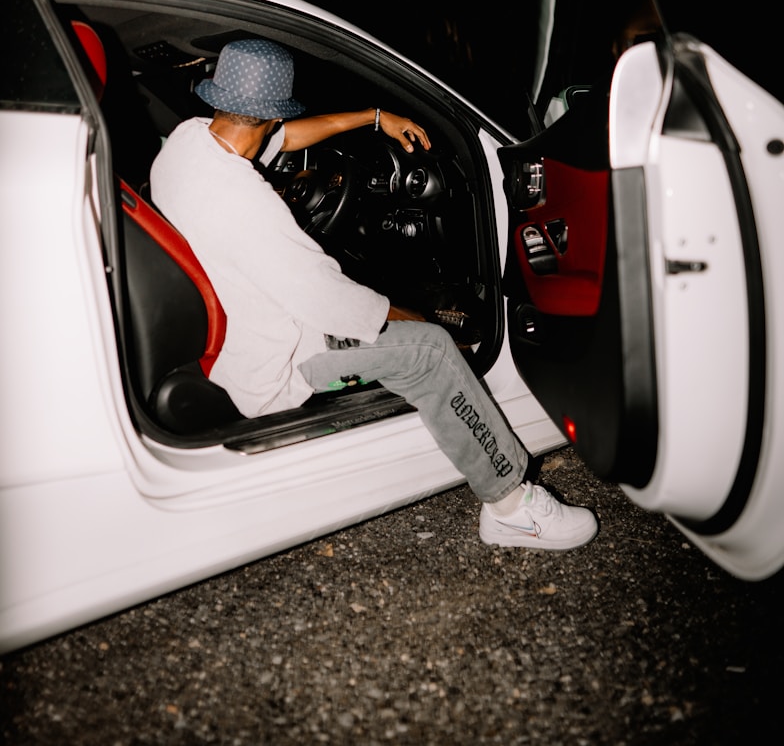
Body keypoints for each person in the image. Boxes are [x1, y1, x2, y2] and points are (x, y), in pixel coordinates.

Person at [150, 38, 598, 551]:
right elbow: (328, 300)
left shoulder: (189, 142)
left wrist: (372, 117)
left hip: (233, 322)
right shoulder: (246, 203)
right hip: (270, 361)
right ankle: (511, 507)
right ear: (270, 115)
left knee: (398, 315)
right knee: (430, 351)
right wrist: (413, 319)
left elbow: (287, 139)